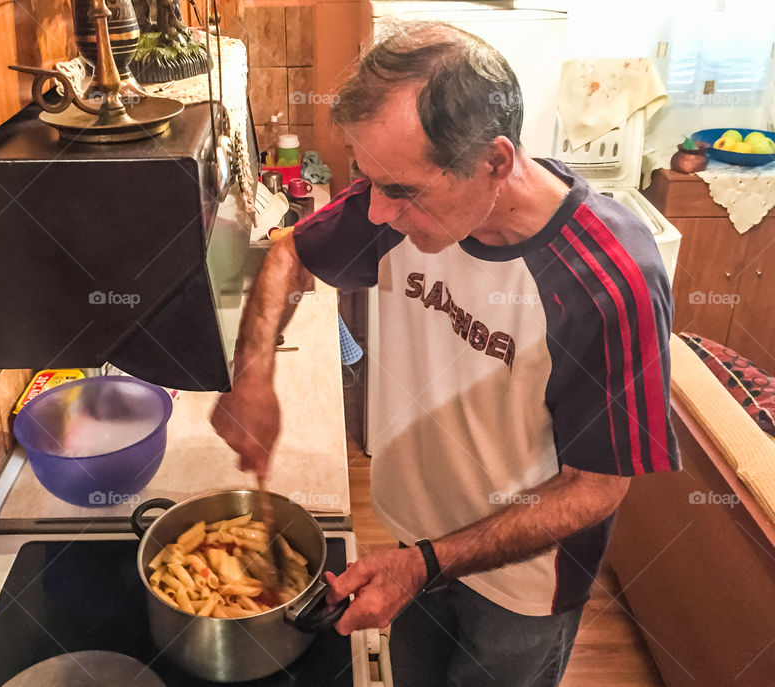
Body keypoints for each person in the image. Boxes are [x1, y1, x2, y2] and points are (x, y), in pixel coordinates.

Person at [211, 20, 679, 687]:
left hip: (523, 586)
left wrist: (428, 561)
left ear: (494, 162)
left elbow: (597, 487)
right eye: (367, 179)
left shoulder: (608, 278)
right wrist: (254, 376)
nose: (373, 212)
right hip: (415, 543)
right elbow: (290, 252)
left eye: (399, 189)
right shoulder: (400, 206)